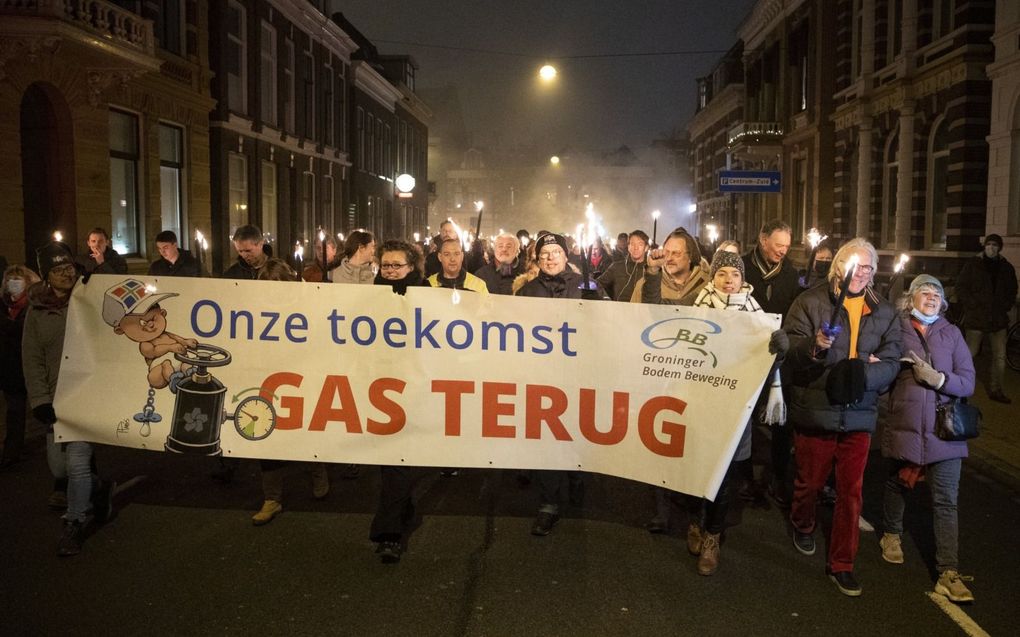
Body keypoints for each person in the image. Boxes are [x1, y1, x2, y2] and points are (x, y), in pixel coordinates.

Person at [782, 237, 901, 596]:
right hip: (818, 409)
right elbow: (790, 348)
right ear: (838, 267)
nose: (861, 274)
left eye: (867, 267)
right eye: (854, 266)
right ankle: (803, 522)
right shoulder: (810, 302)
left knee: (851, 492)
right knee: (811, 482)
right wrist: (814, 347)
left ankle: (843, 563)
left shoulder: (884, 311)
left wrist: (863, 372)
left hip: (859, 412)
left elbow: (893, 360)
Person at [686, 250, 788, 575]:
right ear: (711, 278)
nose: (729, 282)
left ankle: (713, 535)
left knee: (725, 474)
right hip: (701, 403)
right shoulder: (695, 311)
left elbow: (767, 359)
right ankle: (695, 521)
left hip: (735, 407)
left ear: (743, 281)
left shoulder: (757, 316)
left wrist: (779, 350)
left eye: (735, 276)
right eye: (722, 275)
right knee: (696, 466)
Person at [880, 274, 976, 603]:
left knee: (946, 500)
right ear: (911, 298)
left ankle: (948, 571)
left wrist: (939, 380)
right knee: (898, 482)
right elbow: (882, 366)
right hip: (905, 423)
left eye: (937, 293)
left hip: (944, 431)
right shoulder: (897, 326)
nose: (932, 296)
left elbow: (968, 382)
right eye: (925, 291)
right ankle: (891, 533)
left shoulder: (952, 333)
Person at [24, 240, 114, 555]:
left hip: (84, 394)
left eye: (68, 268)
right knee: (59, 469)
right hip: (54, 397)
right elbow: (31, 357)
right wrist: (39, 400)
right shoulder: (36, 312)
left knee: (76, 463)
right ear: (45, 275)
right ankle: (99, 488)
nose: (65, 274)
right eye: (57, 269)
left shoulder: (88, 298)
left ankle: (73, 523)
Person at [516, 233, 603, 536]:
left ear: (567, 256)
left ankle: (577, 477)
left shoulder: (587, 287)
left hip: (579, 375)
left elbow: (610, 327)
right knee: (547, 438)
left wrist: (599, 307)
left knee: (577, 433)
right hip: (544, 377)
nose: (551, 258)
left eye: (556, 252)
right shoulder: (526, 292)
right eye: (544, 254)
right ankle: (548, 503)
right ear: (537, 260)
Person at [250, 259, 330, 526]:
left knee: (306, 426)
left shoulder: (306, 306)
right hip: (268, 376)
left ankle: (318, 469)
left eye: (278, 285)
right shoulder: (253, 309)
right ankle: (271, 498)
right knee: (267, 435)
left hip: (301, 375)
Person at [370, 240, 425, 562]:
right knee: (392, 460)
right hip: (379, 387)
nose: (390, 272)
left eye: (396, 266)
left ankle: (391, 528)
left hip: (416, 385)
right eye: (385, 265)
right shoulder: (367, 296)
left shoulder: (427, 295)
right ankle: (394, 523)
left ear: (411, 267)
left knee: (398, 459)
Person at [743, 220, 802, 506]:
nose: (782, 251)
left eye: (787, 247)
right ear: (763, 240)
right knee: (746, 419)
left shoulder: (791, 274)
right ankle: (745, 477)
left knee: (781, 423)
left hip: (779, 360)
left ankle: (778, 478)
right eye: (778, 245)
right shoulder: (742, 267)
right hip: (747, 357)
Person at [955, 233, 1017, 404]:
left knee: (999, 357)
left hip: (998, 320)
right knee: (969, 354)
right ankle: (961, 387)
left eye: (995, 245)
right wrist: (972, 304)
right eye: (989, 244)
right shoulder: (973, 265)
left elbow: (1012, 289)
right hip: (976, 318)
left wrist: (1005, 305)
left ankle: (996, 390)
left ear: (1000, 247)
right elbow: (961, 287)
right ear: (984, 246)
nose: (992, 247)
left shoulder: (1006, 268)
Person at [1, 265, 41, 468]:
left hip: (31, 367)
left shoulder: (33, 307)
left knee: (42, 408)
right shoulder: (5, 306)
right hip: (11, 370)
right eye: (9, 280)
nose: (12, 284)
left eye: (17, 280)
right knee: (14, 411)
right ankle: (12, 451)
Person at [636, 228, 710, 306]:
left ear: (690, 257)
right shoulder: (644, 285)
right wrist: (653, 269)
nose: (669, 258)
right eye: (666, 252)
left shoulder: (708, 285)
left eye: (676, 253)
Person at [598, 230, 649, 302]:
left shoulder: (652, 270)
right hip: (619, 310)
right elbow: (598, 284)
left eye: (640, 244)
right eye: (632, 244)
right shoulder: (617, 267)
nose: (636, 248)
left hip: (643, 311)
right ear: (628, 247)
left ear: (646, 247)